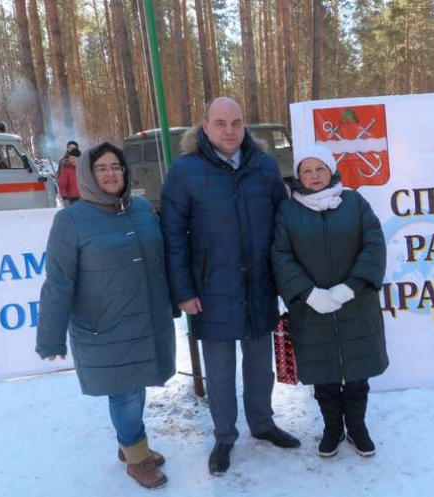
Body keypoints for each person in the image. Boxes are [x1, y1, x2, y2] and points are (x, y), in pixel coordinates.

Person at [160, 97, 299, 476]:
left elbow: (283, 226)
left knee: (260, 365)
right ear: (204, 126)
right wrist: (184, 290)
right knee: (220, 372)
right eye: (220, 123)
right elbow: (173, 235)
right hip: (211, 288)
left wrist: (285, 280)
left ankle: (263, 422)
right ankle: (224, 436)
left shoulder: (264, 166)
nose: (229, 131)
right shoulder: (185, 170)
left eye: (236, 123)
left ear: (244, 125)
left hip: (259, 284)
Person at [36, 142, 177, 489]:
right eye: (101, 168)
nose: (111, 174)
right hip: (105, 325)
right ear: (88, 174)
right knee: (124, 391)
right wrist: (51, 337)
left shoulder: (142, 208)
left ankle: (130, 444)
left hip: (147, 319)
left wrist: (174, 303)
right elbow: (58, 282)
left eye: (116, 167)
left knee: (138, 384)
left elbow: (162, 262)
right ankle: (137, 458)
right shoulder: (70, 221)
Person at [270, 144, 389, 458]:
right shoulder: (288, 211)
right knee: (324, 377)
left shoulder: (354, 202)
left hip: (356, 305)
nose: (314, 176)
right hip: (312, 312)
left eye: (320, 168)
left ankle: (357, 428)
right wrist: (308, 294)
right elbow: (281, 256)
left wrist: (351, 287)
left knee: (357, 374)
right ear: (299, 176)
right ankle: (332, 429)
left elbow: (374, 244)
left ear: (331, 170)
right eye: (307, 171)